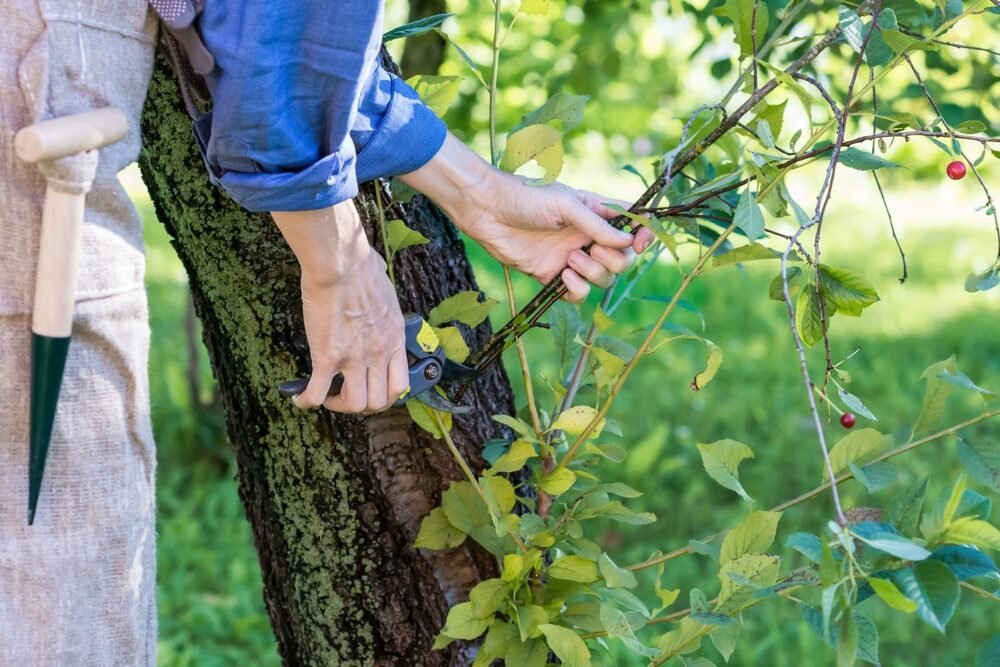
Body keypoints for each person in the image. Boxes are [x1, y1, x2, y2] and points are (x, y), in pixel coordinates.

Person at [0, 1, 651, 664]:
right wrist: (335, 255)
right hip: (34, 142)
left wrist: (482, 197)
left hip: (43, 109)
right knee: (52, 603)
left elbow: (288, 40)